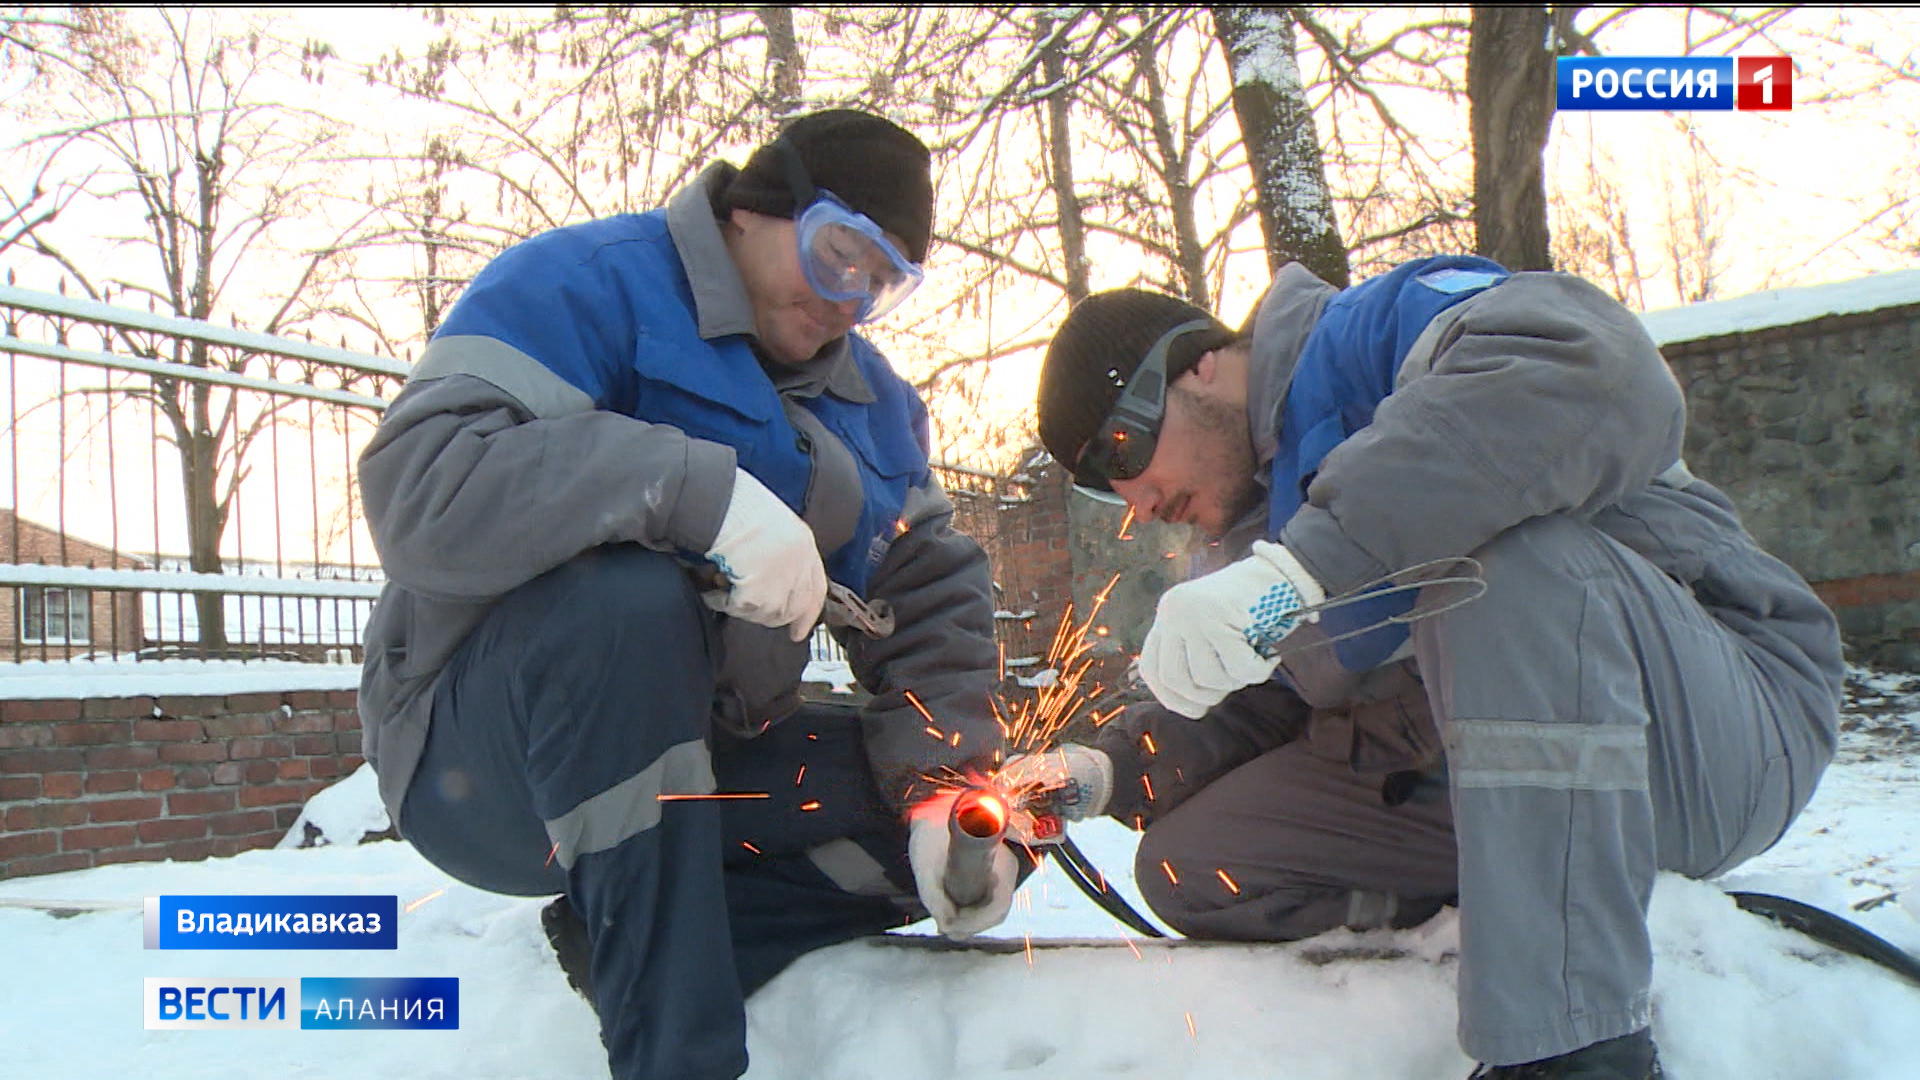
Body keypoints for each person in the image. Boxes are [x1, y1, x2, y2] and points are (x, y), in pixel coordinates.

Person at [1024, 259, 1844, 1078]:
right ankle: (1518, 916)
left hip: (1717, 728)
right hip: (1510, 785)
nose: (1135, 499)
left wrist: (1306, 569)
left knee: (1494, 558)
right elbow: (1265, 706)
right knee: (1203, 865)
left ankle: (1571, 1046)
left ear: (1197, 361)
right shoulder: (1241, 548)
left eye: (1122, 447)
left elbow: (1599, 375)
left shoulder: (1375, 333)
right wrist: (1103, 771)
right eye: (1105, 490)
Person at [355, 109, 1018, 1080]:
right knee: (622, 605)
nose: (851, 301)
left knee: (989, 806)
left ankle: (638, 944)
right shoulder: (583, 285)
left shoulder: (874, 406)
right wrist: (690, 495)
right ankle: (680, 1056)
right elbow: (423, 483)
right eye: (841, 254)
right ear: (757, 207)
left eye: (883, 283)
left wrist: (942, 791)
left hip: (695, 768)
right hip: (484, 763)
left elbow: (930, 595)